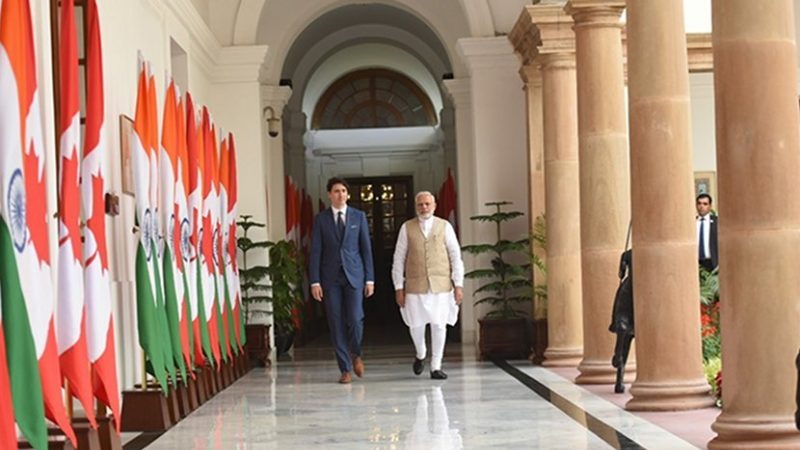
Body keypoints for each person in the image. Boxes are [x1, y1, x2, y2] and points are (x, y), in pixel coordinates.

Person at [392, 191, 463, 380]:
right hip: (415, 285)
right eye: (420, 204)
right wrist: (399, 287)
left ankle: (436, 366)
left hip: (441, 284)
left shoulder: (445, 226)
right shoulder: (406, 228)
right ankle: (421, 353)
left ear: (434, 205)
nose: (424, 207)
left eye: (427, 204)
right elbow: (398, 259)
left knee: (439, 325)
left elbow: (455, 256)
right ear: (416, 207)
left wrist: (459, 284)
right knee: (416, 325)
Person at [309, 177, 375, 384]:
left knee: (355, 319)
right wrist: (315, 282)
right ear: (329, 194)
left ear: (348, 194)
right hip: (330, 279)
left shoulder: (359, 217)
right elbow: (316, 252)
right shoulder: (321, 219)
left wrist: (370, 279)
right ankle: (345, 368)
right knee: (336, 322)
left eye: (344, 191)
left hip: (354, 276)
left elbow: (366, 250)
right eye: (336, 191)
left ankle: (356, 353)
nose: (340, 194)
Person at [696, 193, 719, 271]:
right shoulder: (691, 222)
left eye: (705, 204)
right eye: (699, 203)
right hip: (696, 263)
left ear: (710, 206)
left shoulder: (717, 222)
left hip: (712, 263)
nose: (701, 206)